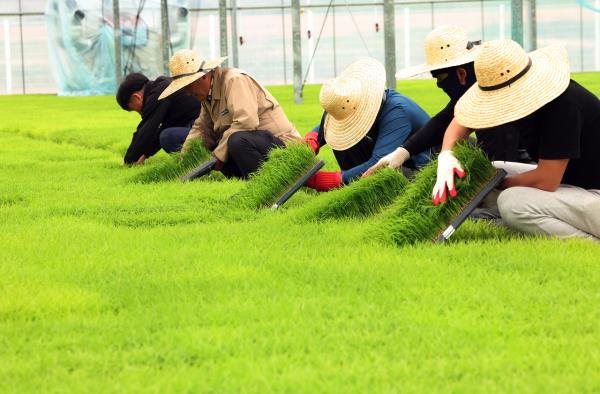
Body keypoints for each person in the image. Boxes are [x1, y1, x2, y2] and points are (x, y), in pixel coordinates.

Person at [433, 39, 600, 241]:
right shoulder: (525, 93)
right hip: (574, 184)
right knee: (491, 169)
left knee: (511, 203)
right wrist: (446, 155)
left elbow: (547, 179)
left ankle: (590, 244)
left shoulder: (564, 105)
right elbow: (461, 122)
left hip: (594, 195)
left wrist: (495, 185)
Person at [364, 25, 531, 177]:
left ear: (461, 74)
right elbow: (443, 120)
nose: (438, 84)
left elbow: (502, 169)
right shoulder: (473, 89)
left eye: (440, 78)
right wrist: (402, 152)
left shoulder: (492, 107)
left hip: (528, 176)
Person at [158, 49, 302, 179]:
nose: (188, 93)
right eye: (184, 89)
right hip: (255, 148)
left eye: (188, 86)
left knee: (236, 141)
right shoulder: (207, 95)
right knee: (212, 141)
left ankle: (265, 181)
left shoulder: (234, 80)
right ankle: (243, 179)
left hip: (283, 145)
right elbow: (200, 128)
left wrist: (218, 155)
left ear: (203, 76)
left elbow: (246, 122)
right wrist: (184, 160)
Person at [302, 57, 431, 191]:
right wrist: (313, 138)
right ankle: (355, 187)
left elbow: (379, 163)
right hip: (393, 160)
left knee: (385, 176)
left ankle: (360, 190)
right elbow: (328, 126)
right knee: (344, 138)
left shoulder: (397, 112)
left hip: (419, 170)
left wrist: (335, 179)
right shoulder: (349, 104)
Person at [117, 73, 200, 165]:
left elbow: (145, 130)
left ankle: (198, 163)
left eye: (134, 109)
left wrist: (129, 160)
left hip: (205, 131)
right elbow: (163, 128)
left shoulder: (158, 94)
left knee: (167, 137)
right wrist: (145, 154)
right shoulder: (162, 87)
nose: (139, 113)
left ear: (137, 97)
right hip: (199, 128)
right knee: (166, 134)